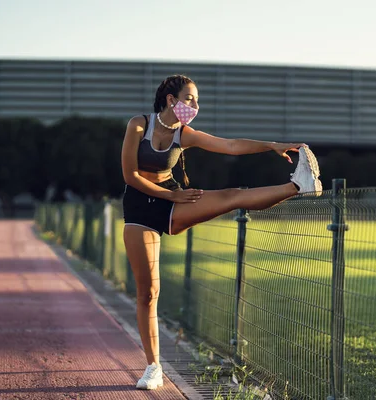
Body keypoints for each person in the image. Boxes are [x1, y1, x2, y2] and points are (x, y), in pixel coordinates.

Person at [120, 74, 322, 390]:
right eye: (190, 98)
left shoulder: (184, 134)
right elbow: (130, 176)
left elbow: (229, 146)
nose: (195, 105)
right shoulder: (138, 125)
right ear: (171, 100)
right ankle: (153, 367)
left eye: (197, 100)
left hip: (173, 203)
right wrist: (172, 195)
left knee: (231, 196)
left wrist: (271, 145)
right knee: (148, 292)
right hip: (140, 211)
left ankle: (298, 185)